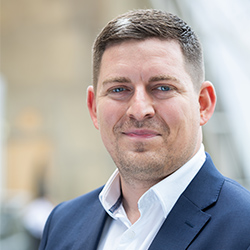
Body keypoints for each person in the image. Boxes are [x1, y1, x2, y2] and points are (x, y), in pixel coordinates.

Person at [39, 9, 250, 250]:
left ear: (203, 103)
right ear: (93, 107)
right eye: (119, 89)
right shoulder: (62, 223)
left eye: (162, 88)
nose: (139, 110)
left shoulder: (244, 229)